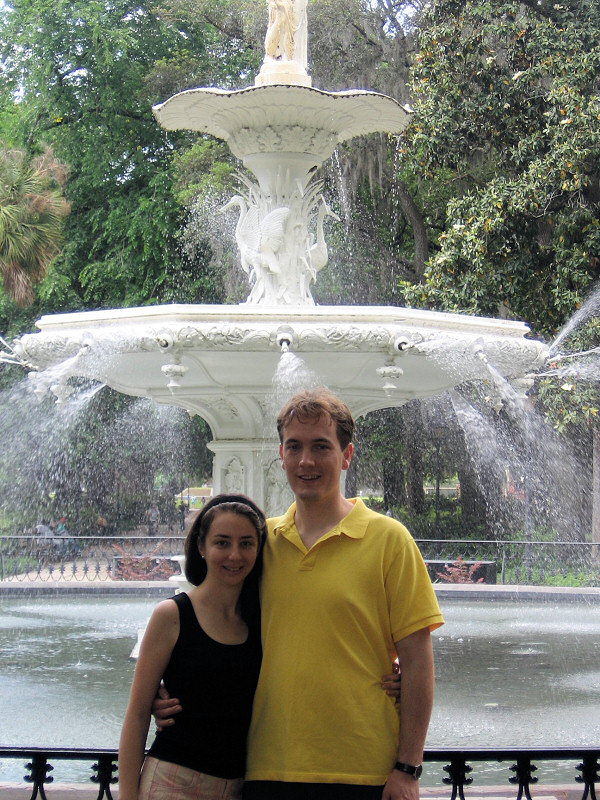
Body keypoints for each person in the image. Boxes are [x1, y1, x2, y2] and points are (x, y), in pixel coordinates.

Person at [154, 388, 444, 800]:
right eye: (295, 447)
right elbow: (204, 621)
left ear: (346, 456)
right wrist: (159, 688)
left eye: (321, 447)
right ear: (282, 454)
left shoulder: (389, 540)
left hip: (364, 770)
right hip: (266, 765)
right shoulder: (257, 543)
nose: (306, 461)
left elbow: (418, 663)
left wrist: (408, 767)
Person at [118, 493, 266, 800]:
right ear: (201, 547)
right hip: (172, 782)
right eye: (222, 542)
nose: (235, 555)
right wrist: (127, 795)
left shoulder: (262, 620)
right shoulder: (171, 615)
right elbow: (137, 714)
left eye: (246, 543)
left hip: (238, 786)